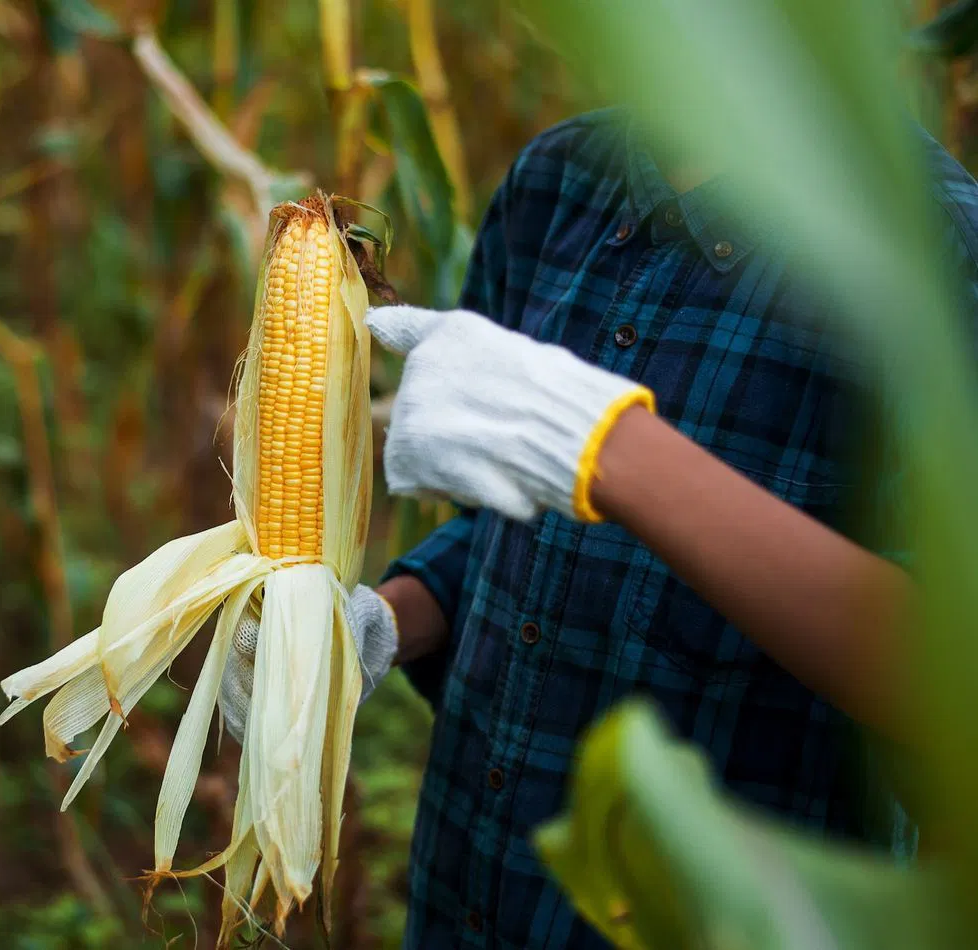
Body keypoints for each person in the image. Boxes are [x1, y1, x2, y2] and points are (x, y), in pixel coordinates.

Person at [218, 106, 978, 948]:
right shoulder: (558, 178)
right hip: (467, 896)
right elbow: (509, 527)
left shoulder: (933, 255)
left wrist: (613, 449)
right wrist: (385, 621)